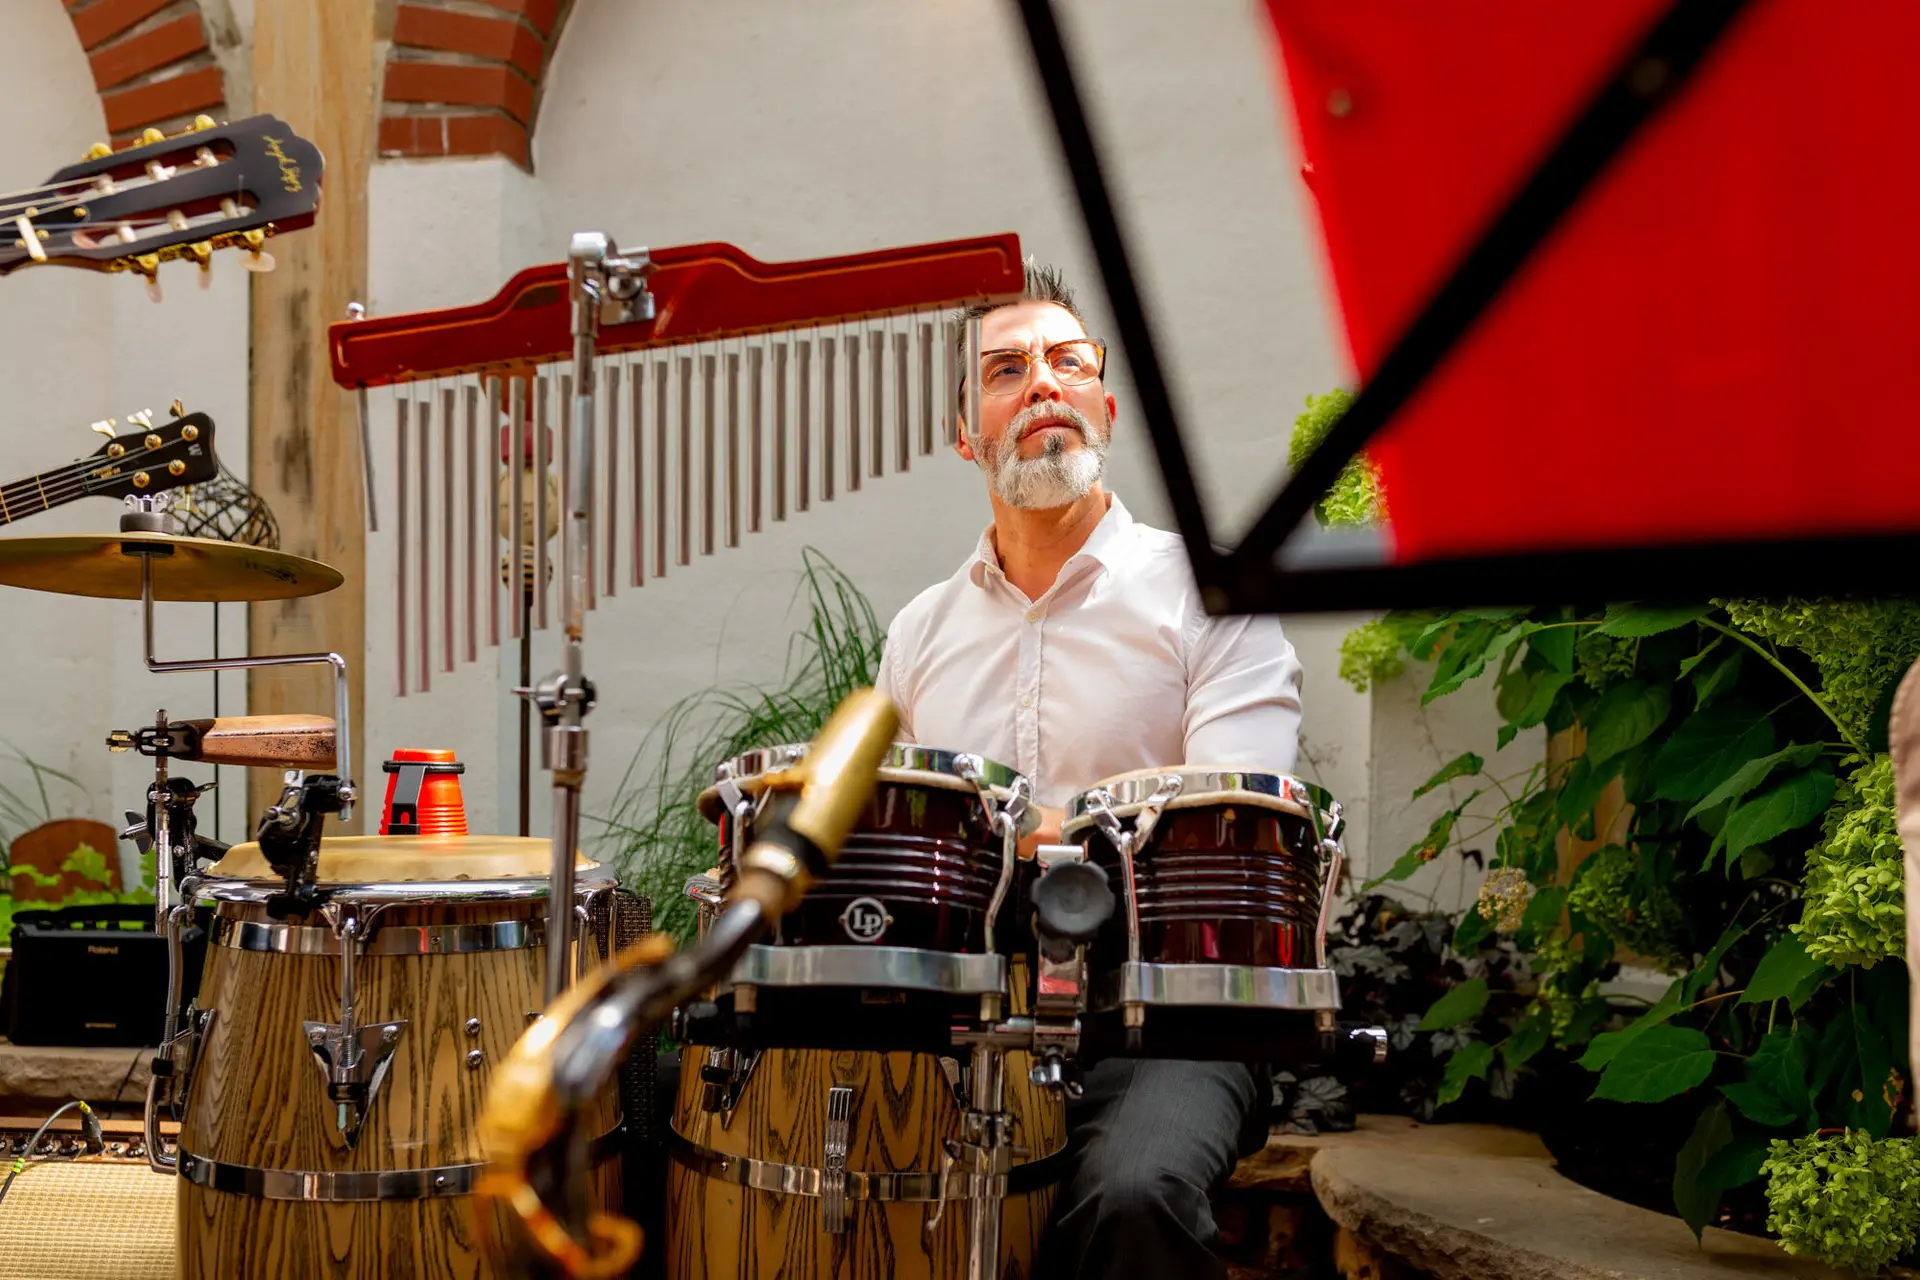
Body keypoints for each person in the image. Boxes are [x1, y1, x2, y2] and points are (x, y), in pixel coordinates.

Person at [874, 263, 1305, 1278]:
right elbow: (895, 844)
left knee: (1133, 1193)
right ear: (962, 431)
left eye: (1070, 362)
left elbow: (1235, 827)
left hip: (1170, 1004)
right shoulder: (920, 631)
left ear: (1104, 404)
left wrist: (1043, 830)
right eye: (1006, 368)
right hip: (968, 1003)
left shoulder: (1210, 590)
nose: (1042, 384)